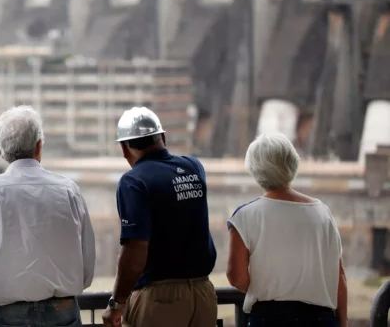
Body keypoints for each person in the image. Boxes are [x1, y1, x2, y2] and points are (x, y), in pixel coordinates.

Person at [0, 105, 96, 327]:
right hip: (64, 312)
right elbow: (87, 265)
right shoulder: (69, 190)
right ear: (39, 146)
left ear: (1, 151)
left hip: (9, 316)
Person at [102, 107, 217, 327]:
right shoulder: (194, 167)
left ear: (124, 148)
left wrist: (117, 304)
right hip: (203, 294)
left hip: (161, 299)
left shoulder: (134, 182)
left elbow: (134, 249)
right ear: (162, 137)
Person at [226, 133, 348, 327]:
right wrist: (343, 321)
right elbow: (338, 273)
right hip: (321, 320)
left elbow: (237, 277)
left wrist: (267, 288)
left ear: (255, 170)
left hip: (269, 318)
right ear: (292, 162)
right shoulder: (323, 213)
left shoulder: (245, 216)